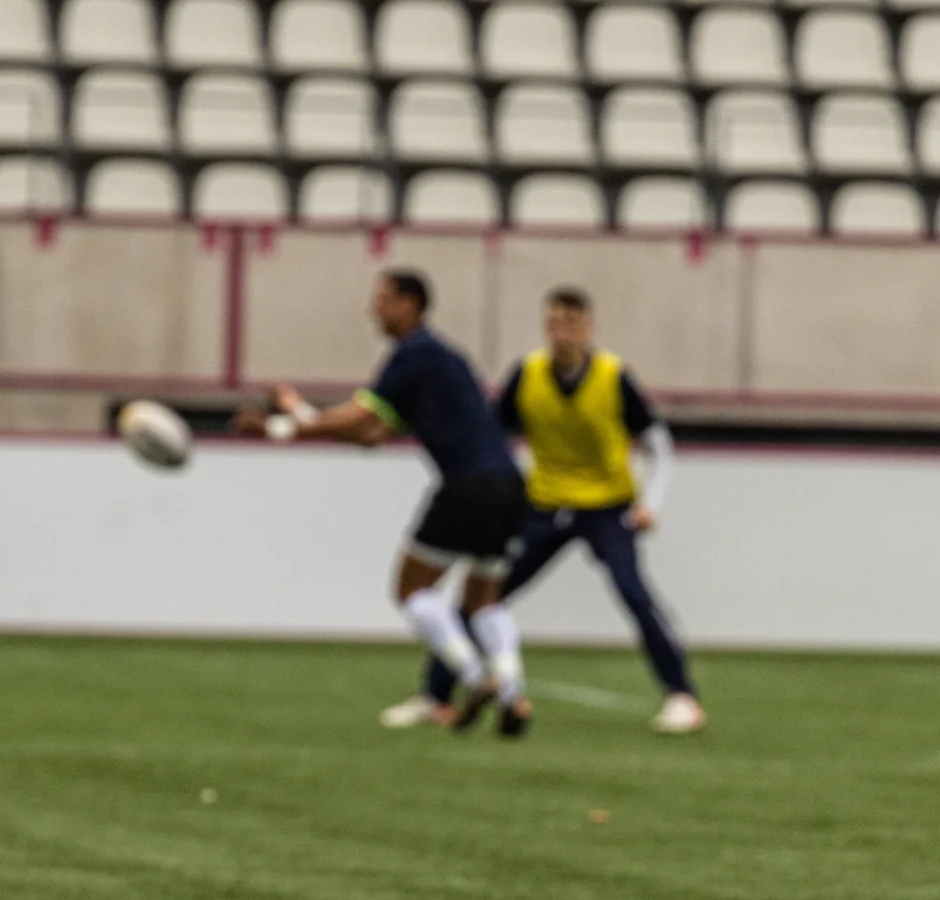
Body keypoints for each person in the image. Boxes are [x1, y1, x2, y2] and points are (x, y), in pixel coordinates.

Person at [387, 286, 705, 737]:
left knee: (634, 593)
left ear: (588, 328)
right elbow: (492, 436)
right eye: (554, 323)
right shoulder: (528, 374)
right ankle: (436, 694)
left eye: (571, 324)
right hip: (543, 503)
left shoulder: (613, 377)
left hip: (606, 506)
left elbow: (657, 441)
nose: (562, 334)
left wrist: (650, 504)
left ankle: (682, 697)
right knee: (485, 596)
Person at [243, 269, 530, 730]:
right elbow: (371, 434)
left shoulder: (413, 354)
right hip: (511, 487)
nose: (373, 309)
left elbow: (359, 414)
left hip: (467, 486)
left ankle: (476, 677)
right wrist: (299, 412)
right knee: (484, 599)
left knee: (412, 589)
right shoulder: (444, 359)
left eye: (382, 298)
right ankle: (513, 692)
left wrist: (282, 428)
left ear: (409, 304)